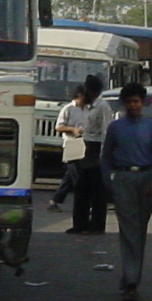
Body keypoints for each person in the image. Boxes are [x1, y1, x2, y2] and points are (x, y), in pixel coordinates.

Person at [102, 82, 152, 301]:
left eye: (136, 101)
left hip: (145, 181)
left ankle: (131, 275)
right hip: (123, 179)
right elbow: (106, 157)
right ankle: (130, 282)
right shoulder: (116, 128)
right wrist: (108, 181)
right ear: (124, 104)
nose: (133, 105)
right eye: (129, 102)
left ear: (143, 102)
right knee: (129, 231)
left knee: (139, 230)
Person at [67, 74, 112, 237]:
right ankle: (79, 224)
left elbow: (106, 131)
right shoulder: (85, 105)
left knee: (97, 191)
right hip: (81, 147)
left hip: (96, 149)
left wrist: (103, 156)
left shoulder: (103, 106)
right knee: (80, 188)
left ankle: (97, 225)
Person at [48, 83, 90, 213]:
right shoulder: (68, 109)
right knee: (77, 176)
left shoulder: (89, 109)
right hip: (72, 145)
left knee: (70, 177)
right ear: (80, 95)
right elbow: (59, 127)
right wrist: (73, 129)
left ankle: (55, 201)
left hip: (86, 144)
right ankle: (83, 205)